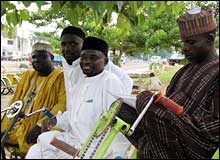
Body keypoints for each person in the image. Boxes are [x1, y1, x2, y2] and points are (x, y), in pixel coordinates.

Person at [117, 7, 219, 159]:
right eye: (184, 42)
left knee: (147, 104)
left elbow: (215, 128)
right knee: (121, 109)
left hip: (191, 148)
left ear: (210, 40)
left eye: (191, 42)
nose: (184, 48)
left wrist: (164, 115)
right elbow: (167, 104)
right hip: (165, 141)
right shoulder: (182, 72)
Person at [26, 37, 130, 159]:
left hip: (98, 150)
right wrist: (56, 121)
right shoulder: (81, 81)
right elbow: (74, 114)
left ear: (105, 61)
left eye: (93, 58)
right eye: (84, 57)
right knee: (37, 150)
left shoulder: (110, 82)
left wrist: (118, 154)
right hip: (74, 143)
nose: (86, 61)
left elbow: (119, 122)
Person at [1, 42, 66, 154]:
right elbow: (15, 102)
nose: (37, 60)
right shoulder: (28, 75)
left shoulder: (60, 77)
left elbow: (62, 105)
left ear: (51, 57)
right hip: (18, 122)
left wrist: (40, 125)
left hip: (41, 123)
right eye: (34, 57)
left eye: (43, 56)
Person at [60, 26, 133, 111]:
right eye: (63, 44)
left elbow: (127, 81)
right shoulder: (65, 63)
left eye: (73, 44)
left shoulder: (97, 63)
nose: (67, 49)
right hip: (73, 116)